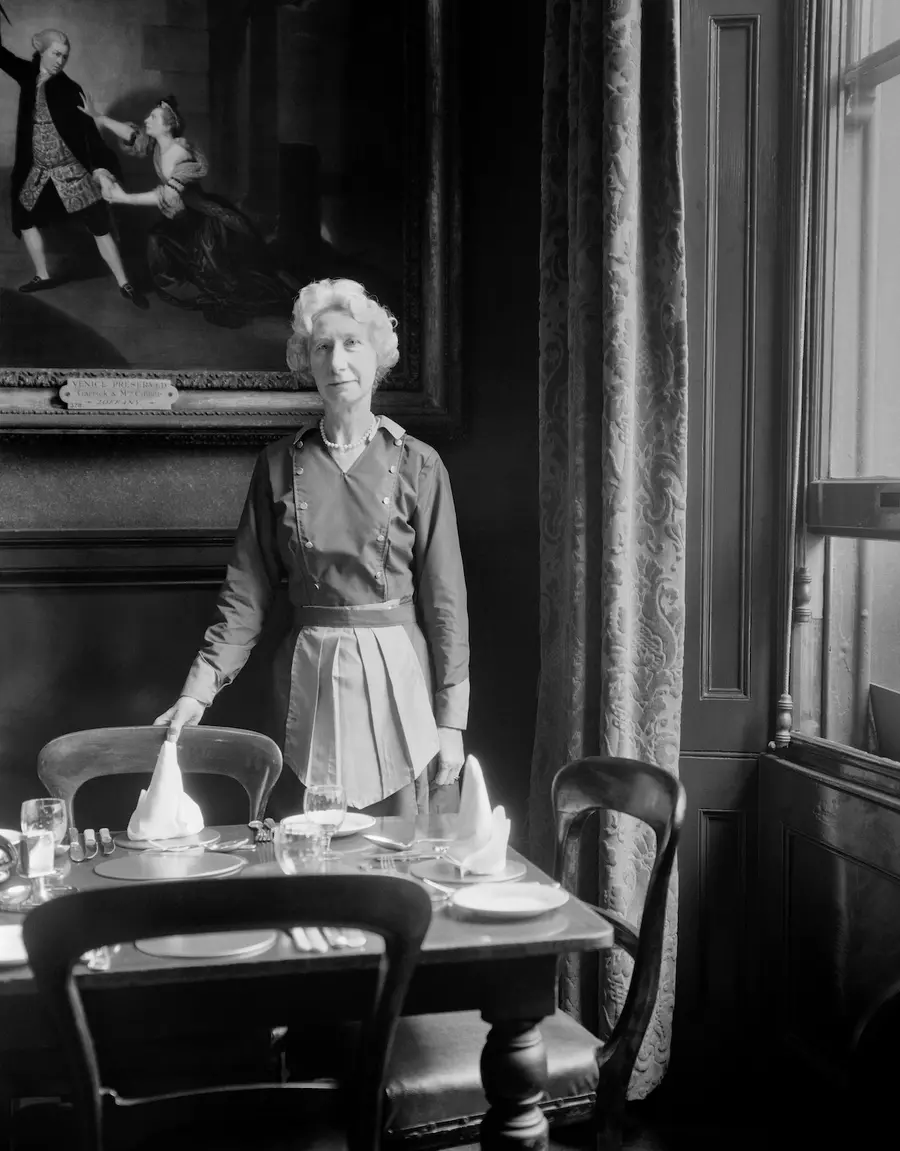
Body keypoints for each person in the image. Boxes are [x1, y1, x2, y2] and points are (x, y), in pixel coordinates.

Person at [154, 278, 468, 817]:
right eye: (322, 347)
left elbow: (446, 601)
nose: (338, 361)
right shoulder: (277, 464)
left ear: (378, 357)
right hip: (308, 677)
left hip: (402, 678)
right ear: (306, 360)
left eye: (352, 343)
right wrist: (197, 691)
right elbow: (245, 593)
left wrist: (452, 722)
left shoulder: (420, 463)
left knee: (402, 855)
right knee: (307, 848)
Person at [79, 94, 296, 328]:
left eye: (153, 117)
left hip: (202, 219)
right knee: (158, 244)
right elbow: (132, 135)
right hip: (181, 217)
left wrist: (125, 198)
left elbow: (168, 195)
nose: (146, 120)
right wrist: (98, 117)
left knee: (221, 276)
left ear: (167, 126)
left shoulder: (181, 155)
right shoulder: (158, 145)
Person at [0, 26, 147, 308]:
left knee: (99, 226)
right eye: (56, 54)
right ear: (40, 50)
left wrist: (101, 169)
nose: (60, 61)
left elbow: (91, 136)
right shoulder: (28, 76)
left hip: (71, 170)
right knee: (24, 217)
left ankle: (124, 282)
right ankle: (42, 275)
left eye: (64, 57)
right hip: (39, 171)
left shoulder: (70, 89)